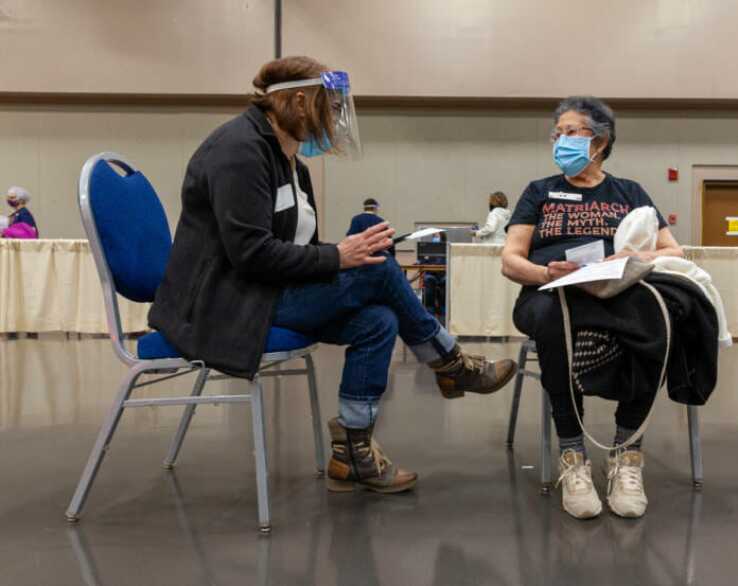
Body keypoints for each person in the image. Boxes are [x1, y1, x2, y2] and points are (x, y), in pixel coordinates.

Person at [148, 56, 516, 495]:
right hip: (228, 302)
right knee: (379, 272)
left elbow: (297, 247)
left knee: (379, 320)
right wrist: (339, 257)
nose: (334, 119)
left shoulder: (292, 164)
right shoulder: (238, 152)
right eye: (330, 107)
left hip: (268, 291)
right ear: (299, 102)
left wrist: (344, 253)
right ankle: (451, 363)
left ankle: (352, 454)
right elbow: (251, 255)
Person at [501, 96, 684, 520]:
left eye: (570, 132)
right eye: (556, 134)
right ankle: (573, 455)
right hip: (549, 292)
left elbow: (673, 251)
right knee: (553, 319)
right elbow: (510, 260)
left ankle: (626, 452)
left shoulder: (630, 193)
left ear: (599, 142)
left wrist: (631, 259)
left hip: (616, 290)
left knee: (658, 317)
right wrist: (545, 272)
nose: (559, 141)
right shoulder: (539, 192)